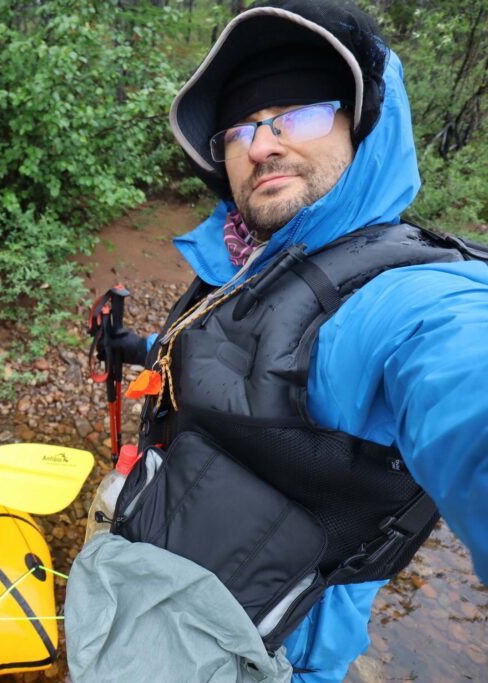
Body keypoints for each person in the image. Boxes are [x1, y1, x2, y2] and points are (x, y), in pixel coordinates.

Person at [71, 1, 488, 681]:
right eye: (242, 128)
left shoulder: (403, 299)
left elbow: (463, 377)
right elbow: (226, 362)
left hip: (272, 660)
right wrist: (138, 347)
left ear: (364, 128)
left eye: (297, 114)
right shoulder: (243, 261)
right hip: (159, 605)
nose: (261, 144)